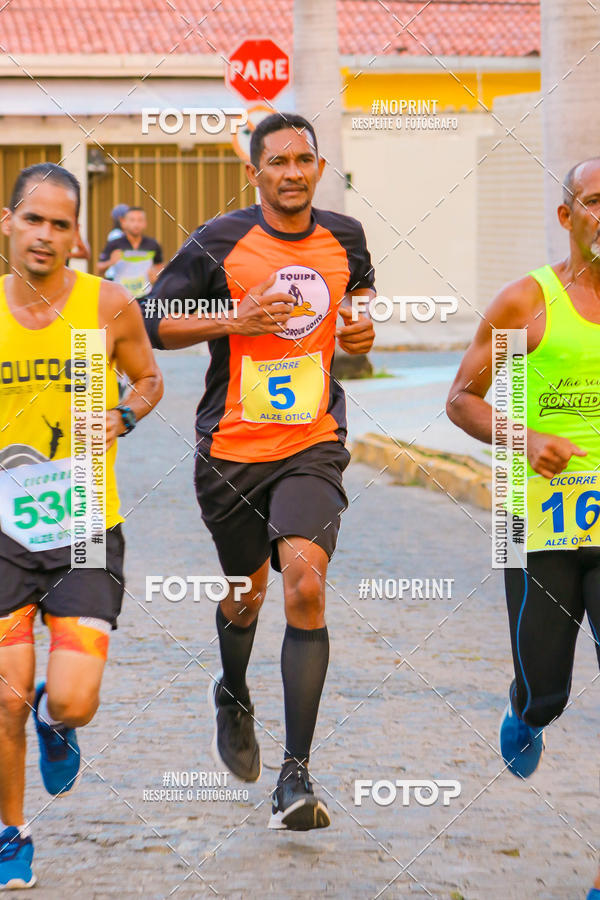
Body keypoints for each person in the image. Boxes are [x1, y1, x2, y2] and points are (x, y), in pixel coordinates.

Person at [144, 112, 375, 831]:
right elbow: (153, 319)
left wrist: (362, 329)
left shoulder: (346, 236)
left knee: (304, 581)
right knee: (248, 596)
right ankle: (233, 689)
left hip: (313, 440)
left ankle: (296, 777)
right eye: (278, 161)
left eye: (305, 159)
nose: (293, 172)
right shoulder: (219, 240)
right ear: (256, 172)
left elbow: (357, 300)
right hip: (232, 450)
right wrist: (233, 321)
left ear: (318, 165)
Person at [0, 163, 163, 889]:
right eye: (32, 219)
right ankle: (11, 834)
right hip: (4, 531)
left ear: (76, 238)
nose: (44, 235)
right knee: (2, 698)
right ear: (7, 222)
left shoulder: (107, 306)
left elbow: (149, 379)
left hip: (87, 529)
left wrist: (124, 414)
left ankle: (56, 724)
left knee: (71, 698)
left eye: (60, 224)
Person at [446, 157, 600, 899]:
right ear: (568, 216)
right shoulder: (527, 304)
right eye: (597, 201)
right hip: (538, 521)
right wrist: (524, 439)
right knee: (550, 689)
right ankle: (526, 707)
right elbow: (462, 400)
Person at [98, 207, 163, 297]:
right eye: (132, 220)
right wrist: (110, 262)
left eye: (140, 220)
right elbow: (99, 268)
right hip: (121, 296)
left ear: (145, 223)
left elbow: (160, 266)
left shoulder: (153, 245)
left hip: (145, 296)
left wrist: (157, 275)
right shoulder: (114, 244)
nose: (136, 224)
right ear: (124, 223)